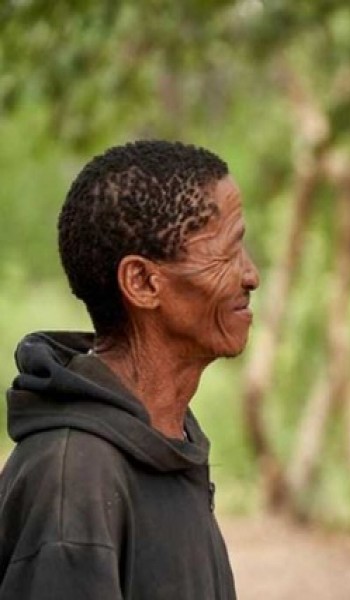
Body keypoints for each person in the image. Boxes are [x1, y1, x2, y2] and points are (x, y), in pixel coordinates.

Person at [0, 140, 260, 599]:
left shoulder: (166, 439)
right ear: (141, 282)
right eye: (228, 252)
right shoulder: (73, 480)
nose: (251, 275)